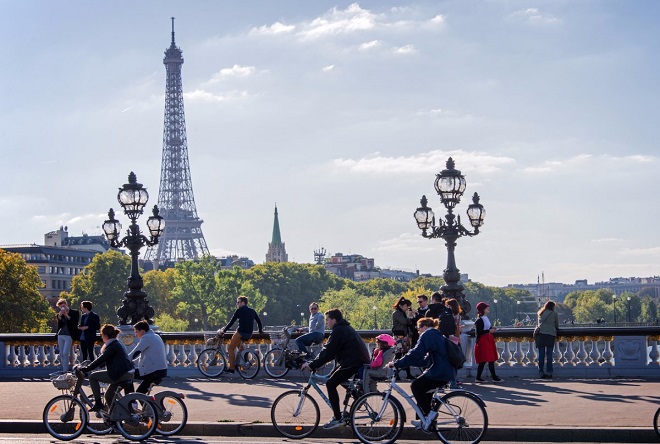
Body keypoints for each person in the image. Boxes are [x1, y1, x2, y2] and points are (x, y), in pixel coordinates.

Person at [301, 308, 370, 430]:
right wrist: (317, 362)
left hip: (353, 362)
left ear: (334, 320)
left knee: (330, 384)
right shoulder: (343, 328)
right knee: (334, 377)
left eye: (327, 320)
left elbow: (328, 352)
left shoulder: (338, 330)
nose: (326, 322)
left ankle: (338, 418)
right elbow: (329, 353)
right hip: (355, 360)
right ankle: (357, 395)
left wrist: (312, 365)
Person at [389, 317, 455, 431]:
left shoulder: (427, 335)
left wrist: (397, 363)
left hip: (439, 372)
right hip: (446, 371)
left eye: (418, 329)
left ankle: (430, 415)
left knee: (416, 386)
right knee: (424, 389)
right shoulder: (437, 334)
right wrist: (404, 364)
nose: (418, 331)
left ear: (424, 327)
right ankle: (424, 420)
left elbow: (415, 353)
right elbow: (425, 360)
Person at [80, 324, 135, 412]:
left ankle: (98, 403)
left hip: (120, 374)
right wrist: (97, 365)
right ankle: (115, 419)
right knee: (108, 396)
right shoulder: (117, 343)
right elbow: (107, 359)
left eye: (101, 335)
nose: (101, 337)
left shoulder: (112, 346)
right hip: (126, 373)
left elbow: (101, 359)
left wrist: (87, 368)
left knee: (93, 377)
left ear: (105, 335)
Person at [219, 296, 263, 374]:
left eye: (238, 302)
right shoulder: (252, 311)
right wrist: (260, 331)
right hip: (249, 333)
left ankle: (232, 368)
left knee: (230, 349)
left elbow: (231, 322)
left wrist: (223, 331)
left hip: (240, 332)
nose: (237, 304)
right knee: (240, 348)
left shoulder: (239, 310)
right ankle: (242, 364)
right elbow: (259, 321)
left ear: (243, 303)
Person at [130, 320, 168, 393]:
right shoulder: (155, 336)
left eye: (136, 332)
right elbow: (141, 356)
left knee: (128, 375)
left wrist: (124, 360)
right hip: (161, 370)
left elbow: (135, 352)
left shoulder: (146, 338)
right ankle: (148, 404)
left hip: (153, 372)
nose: (135, 335)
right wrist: (133, 362)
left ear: (142, 332)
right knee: (140, 393)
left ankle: (131, 401)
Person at [474, 302, 503, 383]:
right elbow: (478, 332)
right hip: (483, 340)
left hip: (488, 339)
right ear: (483, 310)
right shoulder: (479, 320)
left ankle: (479, 377)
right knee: (488, 359)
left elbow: (486, 328)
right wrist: (489, 330)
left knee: (488, 359)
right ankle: (493, 377)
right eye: (486, 308)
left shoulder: (485, 318)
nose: (488, 309)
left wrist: (491, 328)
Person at [391, 296, 415, 380]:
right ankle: (395, 374)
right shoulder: (397, 313)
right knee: (398, 355)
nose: (407, 308)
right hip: (398, 336)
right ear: (403, 305)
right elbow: (404, 321)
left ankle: (408, 373)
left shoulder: (402, 313)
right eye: (407, 306)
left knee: (406, 355)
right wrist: (410, 317)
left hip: (404, 336)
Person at [55, 298, 80, 372]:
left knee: (66, 352)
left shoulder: (74, 312)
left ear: (66, 304)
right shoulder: (60, 314)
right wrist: (59, 316)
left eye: (63, 306)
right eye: (61, 307)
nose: (63, 308)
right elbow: (60, 325)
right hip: (61, 334)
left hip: (69, 335)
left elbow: (74, 323)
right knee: (62, 353)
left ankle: (67, 368)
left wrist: (67, 315)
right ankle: (64, 369)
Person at [536, 300, 559, 379]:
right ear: (552, 307)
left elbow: (538, 324)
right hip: (550, 335)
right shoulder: (554, 314)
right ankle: (549, 372)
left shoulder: (540, 313)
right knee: (549, 355)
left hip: (541, 335)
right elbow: (557, 325)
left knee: (541, 355)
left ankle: (541, 371)